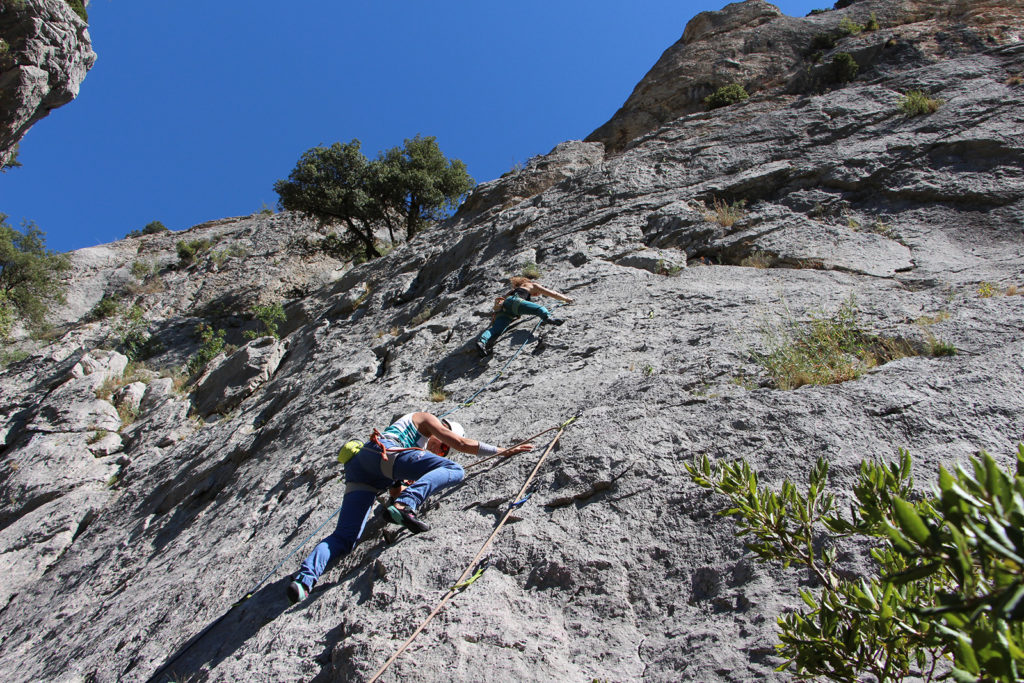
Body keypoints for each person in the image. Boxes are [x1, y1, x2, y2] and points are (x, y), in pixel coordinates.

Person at [287, 412, 534, 604]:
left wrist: (400, 499)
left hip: (362, 469)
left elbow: (394, 491)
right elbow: (460, 442)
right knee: (454, 470)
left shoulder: (410, 451)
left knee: (345, 538)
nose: (443, 450)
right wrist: (503, 451)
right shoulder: (424, 420)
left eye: (445, 450)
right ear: (442, 429)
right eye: (444, 445)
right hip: (383, 453)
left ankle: (303, 582)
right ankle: (408, 506)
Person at [476, 277, 574, 356]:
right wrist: (567, 299)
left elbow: (504, 302)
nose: (537, 294)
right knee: (539, 309)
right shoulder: (531, 285)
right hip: (516, 303)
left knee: (496, 329)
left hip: (505, 309)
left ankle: (482, 341)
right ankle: (547, 318)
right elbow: (553, 293)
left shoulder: (512, 291)